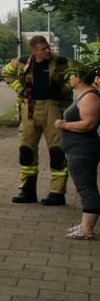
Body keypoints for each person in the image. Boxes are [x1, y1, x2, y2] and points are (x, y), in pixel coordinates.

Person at [2, 35, 71, 205]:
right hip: (30, 108)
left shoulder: (61, 62)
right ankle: (27, 190)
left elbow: (76, 78)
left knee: (57, 152)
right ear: (34, 51)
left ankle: (57, 192)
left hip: (53, 108)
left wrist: (63, 89)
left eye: (48, 47)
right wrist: (21, 90)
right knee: (26, 151)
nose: (48, 51)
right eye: (43, 49)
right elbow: (6, 73)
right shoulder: (23, 62)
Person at [54, 63, 100, 240]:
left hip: (83, 151)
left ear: (79, 78)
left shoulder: (90, 97)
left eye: (72, 75)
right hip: (76, 149)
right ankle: (84, 224)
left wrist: (64, 124)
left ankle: (88, 229)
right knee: (84, 187)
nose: (70, 78)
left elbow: (89, 123)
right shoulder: (85, 95)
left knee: (86, 188)